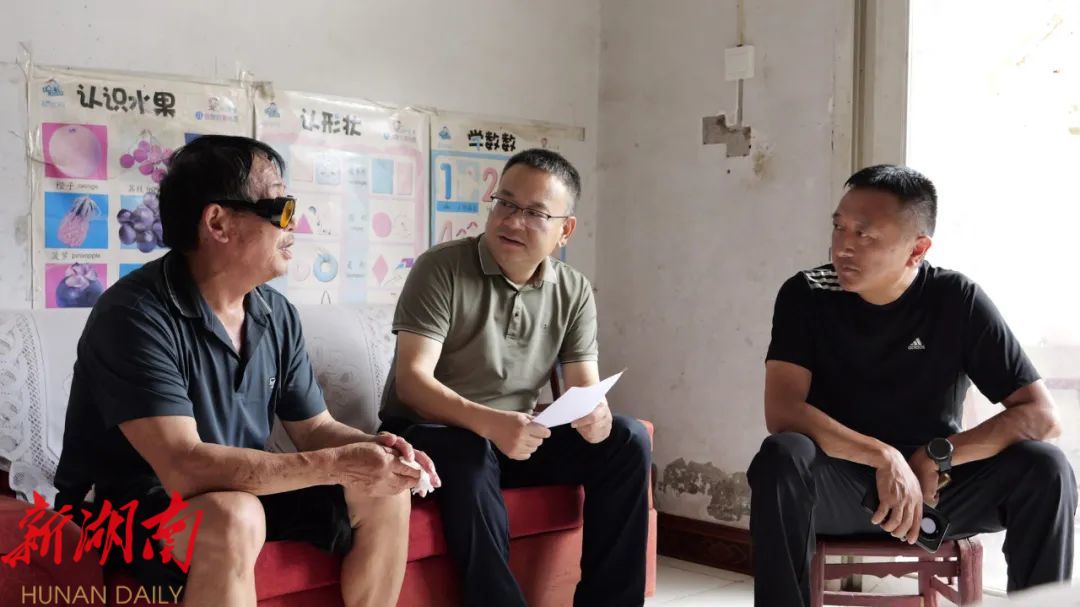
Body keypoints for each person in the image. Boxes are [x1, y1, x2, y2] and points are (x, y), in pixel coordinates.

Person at [53, 135, 439, 607]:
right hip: (120, 510)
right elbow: (183, 467)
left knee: (383, 491)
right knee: (233, 516)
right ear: (217, 222)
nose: (294, 223)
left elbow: (315, 429)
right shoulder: (134, 315)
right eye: (280, 206)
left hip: (228, 489)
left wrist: (377, 451)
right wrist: (336, 464)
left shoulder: (275, 313)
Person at [749, 164, 1077, 605]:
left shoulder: (956, 299)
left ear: (917, 249)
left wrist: (936, 457)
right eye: (839, 226)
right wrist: (884, 457)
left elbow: (1041, 416)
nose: (843, 245)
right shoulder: (807, 293)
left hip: (935, 492)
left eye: (865, 234)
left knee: (1046, 467)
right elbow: (783, 412)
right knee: (782, 456)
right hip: (842, 487)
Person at [379, 148, 652, 606]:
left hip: (517, 438)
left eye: (534, 213)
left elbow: (584, 389)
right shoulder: (441, 268)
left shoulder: (573, 290)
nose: (512, 221)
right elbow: (412, 381)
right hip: (429, 434)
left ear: (565, 230)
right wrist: (491, 424)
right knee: (467, 450)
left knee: (627, 439)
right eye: (504, 203)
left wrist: (597, 419)